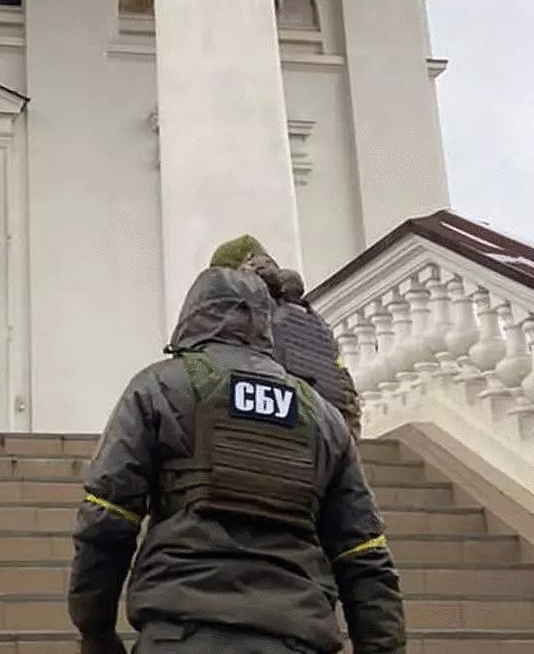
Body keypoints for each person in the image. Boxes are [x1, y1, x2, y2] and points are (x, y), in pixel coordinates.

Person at [68, 267, 404, 654]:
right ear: (266, 324)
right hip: (295, 635)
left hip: (179, 632)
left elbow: (106, 518)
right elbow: (364, 554)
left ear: (192, 316)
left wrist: (95, 629)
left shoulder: (159, 388)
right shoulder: (322, 417)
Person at [210, 235, 363, 441]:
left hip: (288, 428)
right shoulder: (309, 314)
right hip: (338, 427)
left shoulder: (247, 310)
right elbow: (341, 375)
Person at [277, 267, 363, 441]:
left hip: (307, 401)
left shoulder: (276, 318)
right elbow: (338, 363)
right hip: (335, 400)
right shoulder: (320, 323)